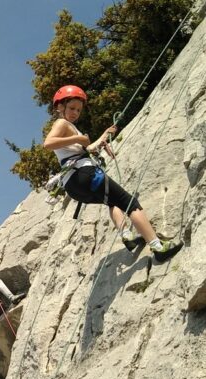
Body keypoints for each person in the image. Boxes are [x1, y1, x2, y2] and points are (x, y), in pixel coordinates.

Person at [42, 84, 183, 263]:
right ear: (60, 107)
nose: (75, 113)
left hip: (74, 185)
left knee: (113, 201)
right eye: (71, 108)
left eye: (78, 110)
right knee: (130, 203)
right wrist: (80, 138)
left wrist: (103, 136)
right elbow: (48, 143)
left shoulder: (70, 128)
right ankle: (157, 246)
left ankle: (127, 235)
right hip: (84, 174)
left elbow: (88, 148)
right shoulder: (63, 123)